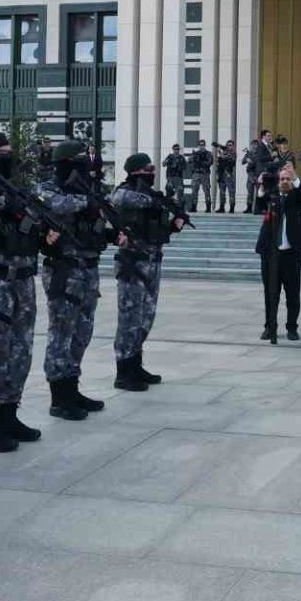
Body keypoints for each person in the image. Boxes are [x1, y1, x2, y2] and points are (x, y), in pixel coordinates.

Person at [0, 131, 59, 452]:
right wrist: (6, 201)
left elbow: (33, 223)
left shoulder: (16, 188)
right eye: (2, 154)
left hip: (24, 280)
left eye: (9, 153)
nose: (9, 158)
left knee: (20, 352)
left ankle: (8, 414)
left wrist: (44, 233)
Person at [36, 140, 118, 420]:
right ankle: (59, 397)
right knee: (61, 332)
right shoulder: (49, 187)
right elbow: (55, 204)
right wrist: (87, 202)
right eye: (81, 160)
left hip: (88, 268)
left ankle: (72, 386)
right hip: (64, 269)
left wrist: (110, 232)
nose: (87, 164)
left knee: (82, 332)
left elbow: (97, 222)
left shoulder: (88, 188)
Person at [111, 153, 186, 388]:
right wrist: (158, 201)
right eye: (147, 170)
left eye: (152, 170)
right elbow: (121, 199)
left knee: (146, 317)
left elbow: (156, 228)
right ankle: (124, 372)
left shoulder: (152, 197)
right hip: (132, 263)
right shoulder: (124, 193)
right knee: (129, 317)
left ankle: (135, 364)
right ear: (135, 172)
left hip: (153, 261)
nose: (151, 174)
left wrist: (174, 224)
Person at [255, 162, 301, 343]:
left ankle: (292, 327)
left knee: (292, 293)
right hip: (270, 254)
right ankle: (270, 327)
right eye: (282, 179)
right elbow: (259, 205)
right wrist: (262, 186)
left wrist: (295, 176)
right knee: (271, 293)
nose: (284, 181)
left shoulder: (295, 198)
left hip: (291, 254)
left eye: (287, 179)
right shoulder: (272, 197)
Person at [187, 139, 214, 213]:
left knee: (207, 191)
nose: (202, 146)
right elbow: (189, 161)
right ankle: (193, 206)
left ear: (204, 145)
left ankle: (208, 207)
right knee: (194, 191)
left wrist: (201, 161)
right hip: (196, 174)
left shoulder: (208, 153)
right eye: (200, 145)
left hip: (204, 174)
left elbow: (210, 162)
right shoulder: (196, 154)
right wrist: (193, 157)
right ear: (198, 145)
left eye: (203, 145)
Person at [214, 140, 237, 213]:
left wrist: (222, 155)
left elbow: (231, 161)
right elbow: (218, 163)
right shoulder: (224, 152)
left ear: (233, 146)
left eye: (230, 145)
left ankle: (232, 207)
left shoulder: (233, 153)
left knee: (231, 191)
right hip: (222, 174)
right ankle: (222, 207)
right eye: (228, 145)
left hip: (228, 174)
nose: (229, 147)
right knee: (222, 192)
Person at [163, 144, 188, 209]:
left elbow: (185, 166)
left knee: (180, 193)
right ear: (173, 149)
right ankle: (169, 207)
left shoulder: (181, 158)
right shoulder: (170, 157)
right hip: (170, 177)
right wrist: (167, 162)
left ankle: (180, 207)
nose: (176, 150)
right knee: (169, 192)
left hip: (178, 177)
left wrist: (179, 166)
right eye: (175, 149)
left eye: (177, 149)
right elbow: (163, 164)